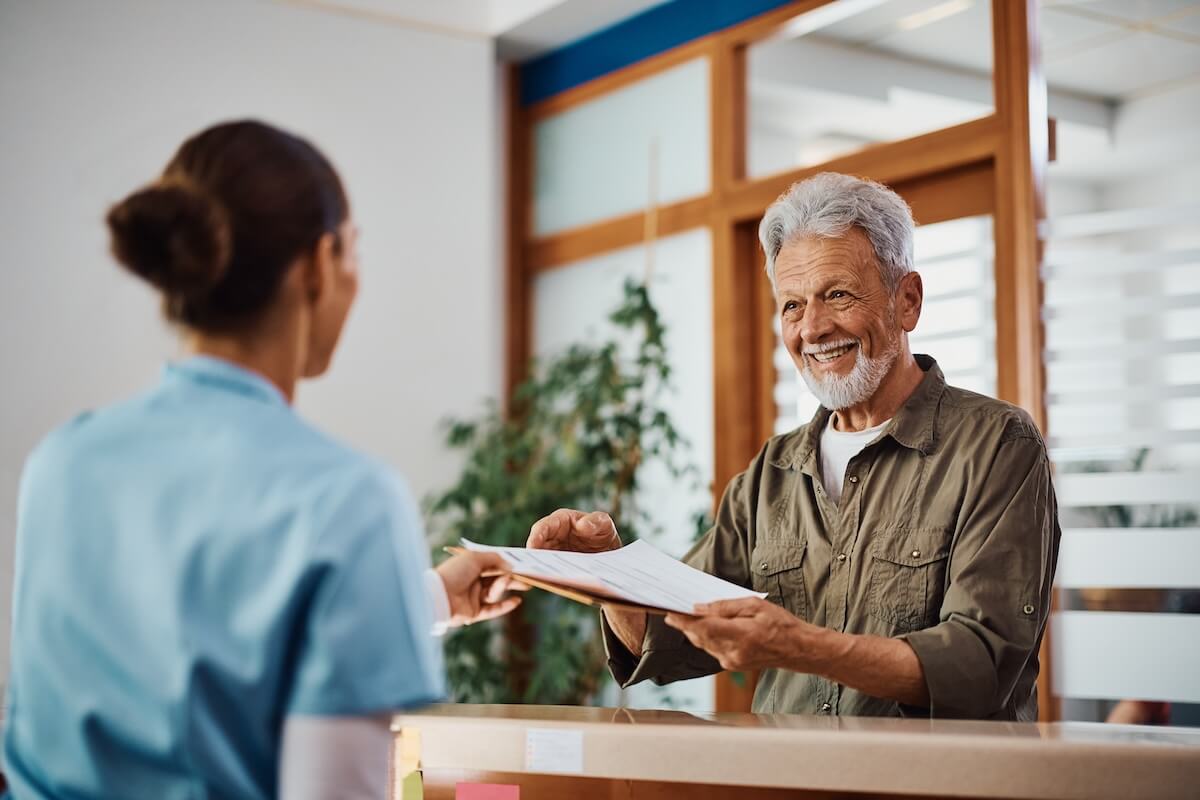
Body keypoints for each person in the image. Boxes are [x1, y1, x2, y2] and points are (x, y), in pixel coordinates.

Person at [1, 120, 520, 799]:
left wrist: (428, 598)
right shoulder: (350, 498)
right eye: (354, 250)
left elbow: (174, 640)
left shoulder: (61, 463)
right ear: (317, 264)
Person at [529, 173, 1061, 720]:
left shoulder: (997, 445)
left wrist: (801, 646)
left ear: (907, 301)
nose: (813, 328)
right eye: (792, 306)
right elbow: (674, 637)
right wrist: (614, 576)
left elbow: (981, 664)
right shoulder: (770, 474)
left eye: (837, 294)